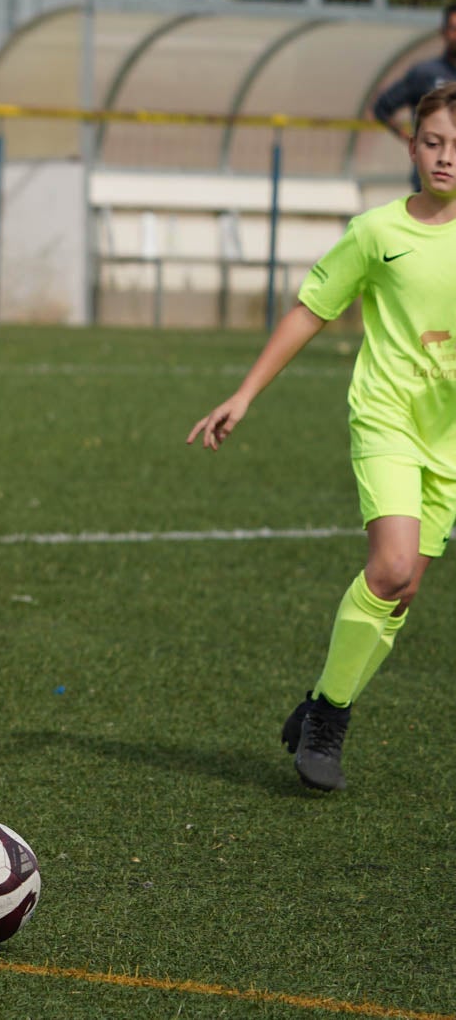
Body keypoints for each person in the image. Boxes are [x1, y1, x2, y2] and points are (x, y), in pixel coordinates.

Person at [188, 82, 456, 792]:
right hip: (386, 417)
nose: (445, 157)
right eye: (433, 142)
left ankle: (317, 701)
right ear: (411, 147)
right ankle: (331, 720)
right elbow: (312, 308)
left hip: (449, 438)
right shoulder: (376, 232)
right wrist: (245, 393)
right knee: (390, 568)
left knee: (402, 593)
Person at [372, 0, 456, 190]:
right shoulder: (425, 73)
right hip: (430, 181)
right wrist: (412, 138)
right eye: (454, 29)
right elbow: (382, 108)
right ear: (443, 32)